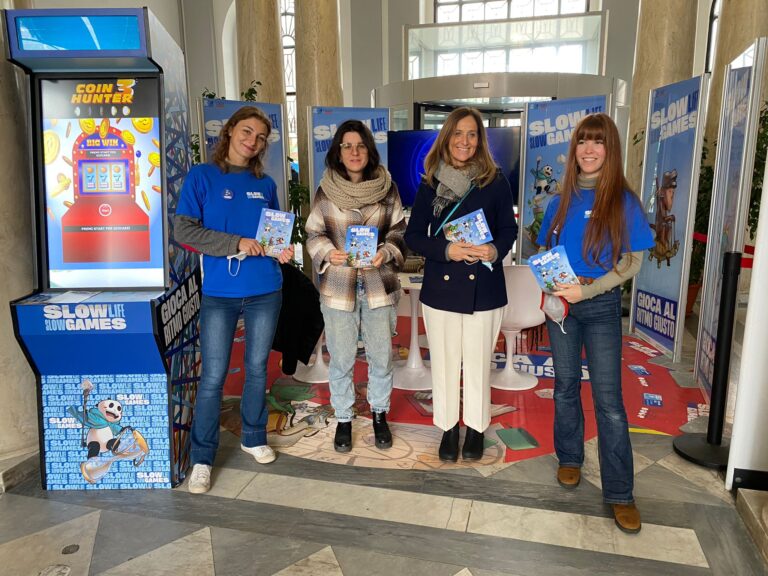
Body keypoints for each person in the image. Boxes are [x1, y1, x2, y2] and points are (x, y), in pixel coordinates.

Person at [537, 113, 653, 534]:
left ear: (610, 149)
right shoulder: (559, 202)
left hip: (601, 306)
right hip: (562, 309)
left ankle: (620, 492)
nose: (589, 150)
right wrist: (551, 285)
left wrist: (586, 291)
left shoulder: (623, 201)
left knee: (609, 402)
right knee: (565, 387)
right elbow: (546, 252)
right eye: (583, 142)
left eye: (598, 142)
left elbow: (632, 262)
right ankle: (570, 457)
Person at [175, 106, 294, 494]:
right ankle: (202, 458)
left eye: (260, 137)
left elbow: (272, 235)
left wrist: (281, 250)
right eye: (246, 131)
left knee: (257, 368)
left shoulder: (266, 183)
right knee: (213, 376)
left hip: (265, 289)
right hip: (220, 293)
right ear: (229, 131)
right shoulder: (202, 176)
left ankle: (254, 436)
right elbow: (184, 231)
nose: (252, 141)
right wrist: (235, 243)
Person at [404, 107, 517, 462]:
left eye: (471, 134)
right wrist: (446, 250)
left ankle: (477, 428)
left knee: (479, 362)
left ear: (480, 140)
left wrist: (493, 249)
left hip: (484, 289)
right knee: (445, 363)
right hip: (441, 289)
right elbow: (413, 236)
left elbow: (508, 229)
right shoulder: (430, 183)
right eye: (457, 133)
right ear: (447, 137)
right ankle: (448, 427)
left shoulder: (495, 181)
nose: (464, 141)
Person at [306, 120, 406, 453]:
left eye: (360, 145)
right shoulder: (326, 190)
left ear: (369, 150)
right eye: (347, 146)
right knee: (341, 359)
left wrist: (386, 252)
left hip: (379, 286)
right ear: (338, 152)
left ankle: (379, 414)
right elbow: (314, 234)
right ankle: (344, 418)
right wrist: (328, 253)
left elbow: (399, 232)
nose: (354, 152)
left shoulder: (387, 188)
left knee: (382, 357)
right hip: (339, 287)